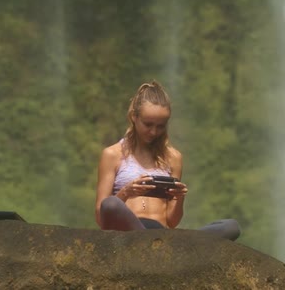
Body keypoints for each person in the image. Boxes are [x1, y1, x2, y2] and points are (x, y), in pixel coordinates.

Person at [95, 80, 240, 240]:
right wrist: (126, 193)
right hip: (129, 233)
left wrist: (179, 197)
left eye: (160, 126)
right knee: (110, 204)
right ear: (134, 117)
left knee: (230, 227)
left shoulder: (173, 157)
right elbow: (101, 217)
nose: (153, 132)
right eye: (148, 124)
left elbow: (172, 221)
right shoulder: (112, 154)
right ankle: (153, 245)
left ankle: (159, 246)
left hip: (163, 234)